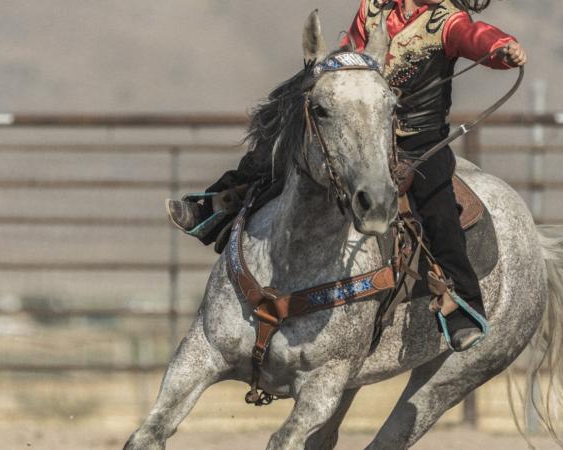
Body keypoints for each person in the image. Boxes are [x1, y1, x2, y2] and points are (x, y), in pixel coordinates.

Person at [167, 0, 526, 351]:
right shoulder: (374, 7)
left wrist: (501, 47)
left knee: (439, 209)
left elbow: (475, 37)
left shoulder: (448, 20)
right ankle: (217, 206)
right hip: (360, 129)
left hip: (418, 140)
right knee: (281, 143)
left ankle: (462, 302)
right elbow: (352, 53)